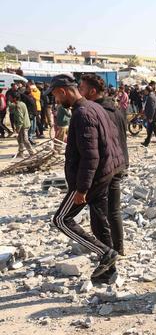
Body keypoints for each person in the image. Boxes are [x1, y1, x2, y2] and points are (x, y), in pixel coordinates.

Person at [49, 74, 125, 281]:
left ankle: (105, 253)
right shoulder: (95, 107)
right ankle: (109, 271)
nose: (56, 101)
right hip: (104, 174)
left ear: (63, 91)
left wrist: (81, 189)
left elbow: (90, 155)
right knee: (100, 222)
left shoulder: (82, 113)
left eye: (56, 95)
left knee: (61, 220)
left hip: (90, 179)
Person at [79, 74, 129, 264]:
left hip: (103, 167)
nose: (79, 92)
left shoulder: (95, 111)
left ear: (92, 91)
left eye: (82, 89)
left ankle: (106, 253)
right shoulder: (117, 108)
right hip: (118, 164)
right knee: (113, 211)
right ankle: (118, 248)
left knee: (99, 212)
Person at [8, 91, 33, 157]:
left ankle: (32, 153)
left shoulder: (18, 106)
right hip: (24, 124)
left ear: (14, 98)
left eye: (10, 97)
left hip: (23, 125)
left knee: (25, 140)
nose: (9, 98)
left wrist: (18, 129)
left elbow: (20, 119)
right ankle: (20, 153)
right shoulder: (22, 103)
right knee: (19, 139)